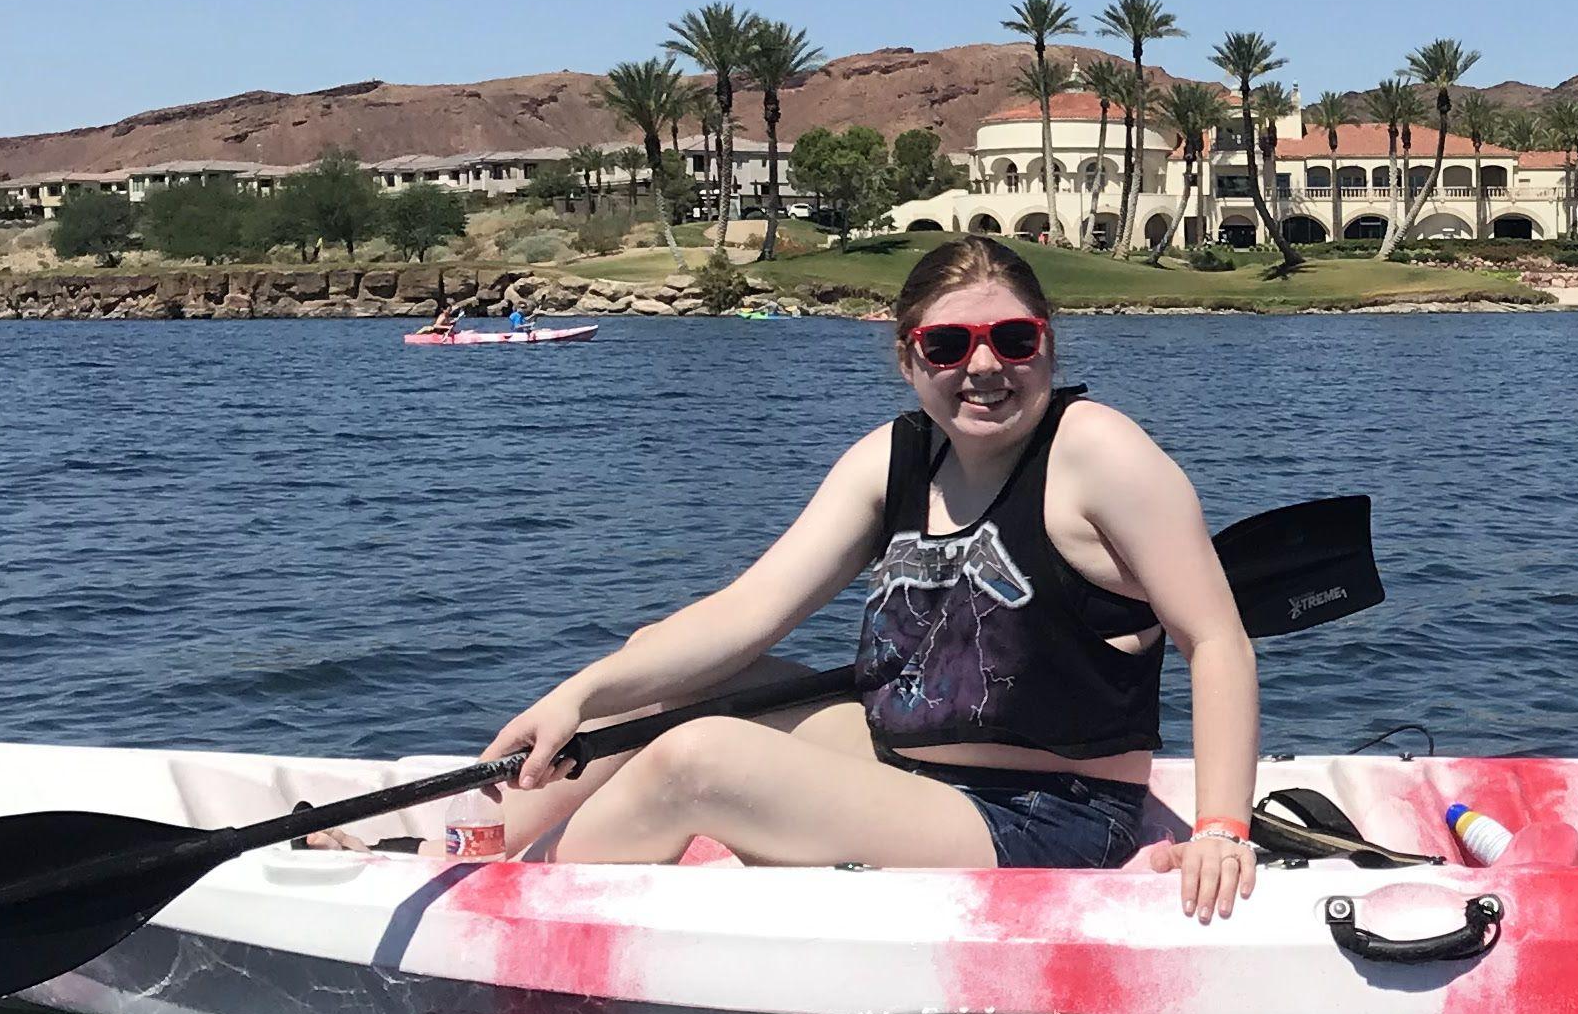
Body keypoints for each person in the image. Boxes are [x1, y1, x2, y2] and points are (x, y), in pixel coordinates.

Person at [483, 235, 1261, 915]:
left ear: (1048, 346)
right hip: (901, 764)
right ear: (909, 356)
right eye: (949, 346)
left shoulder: (1098, 453)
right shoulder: (895, 459)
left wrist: (1221, 829)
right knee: (656, 679)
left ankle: (515, 911)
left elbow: (1216, 639)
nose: (985, 366)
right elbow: (747, 611)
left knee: (696, 763)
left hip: (1049, 813)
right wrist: (574, 695)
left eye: (1014, 340)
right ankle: (470, 848)